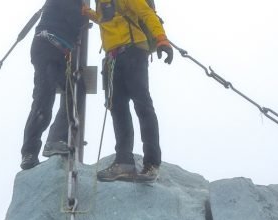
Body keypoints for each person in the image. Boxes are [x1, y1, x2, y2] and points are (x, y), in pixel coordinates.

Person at [83, 0, 173, 182]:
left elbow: (146, 13)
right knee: (117, 108)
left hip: (133, 51)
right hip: (113, 58)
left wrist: (161, 39)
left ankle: (152, 163)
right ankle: (124, 162)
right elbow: (106, 20)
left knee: (142, 105)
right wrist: (88, 13)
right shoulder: (101, 3)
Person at [20, 0, 86, 170]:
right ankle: (32, 150)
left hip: (58, 50)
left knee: (74, 90)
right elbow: (74, 18)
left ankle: (52, 141)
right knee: (44, 97)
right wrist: (88, 14)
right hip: (48, 46)